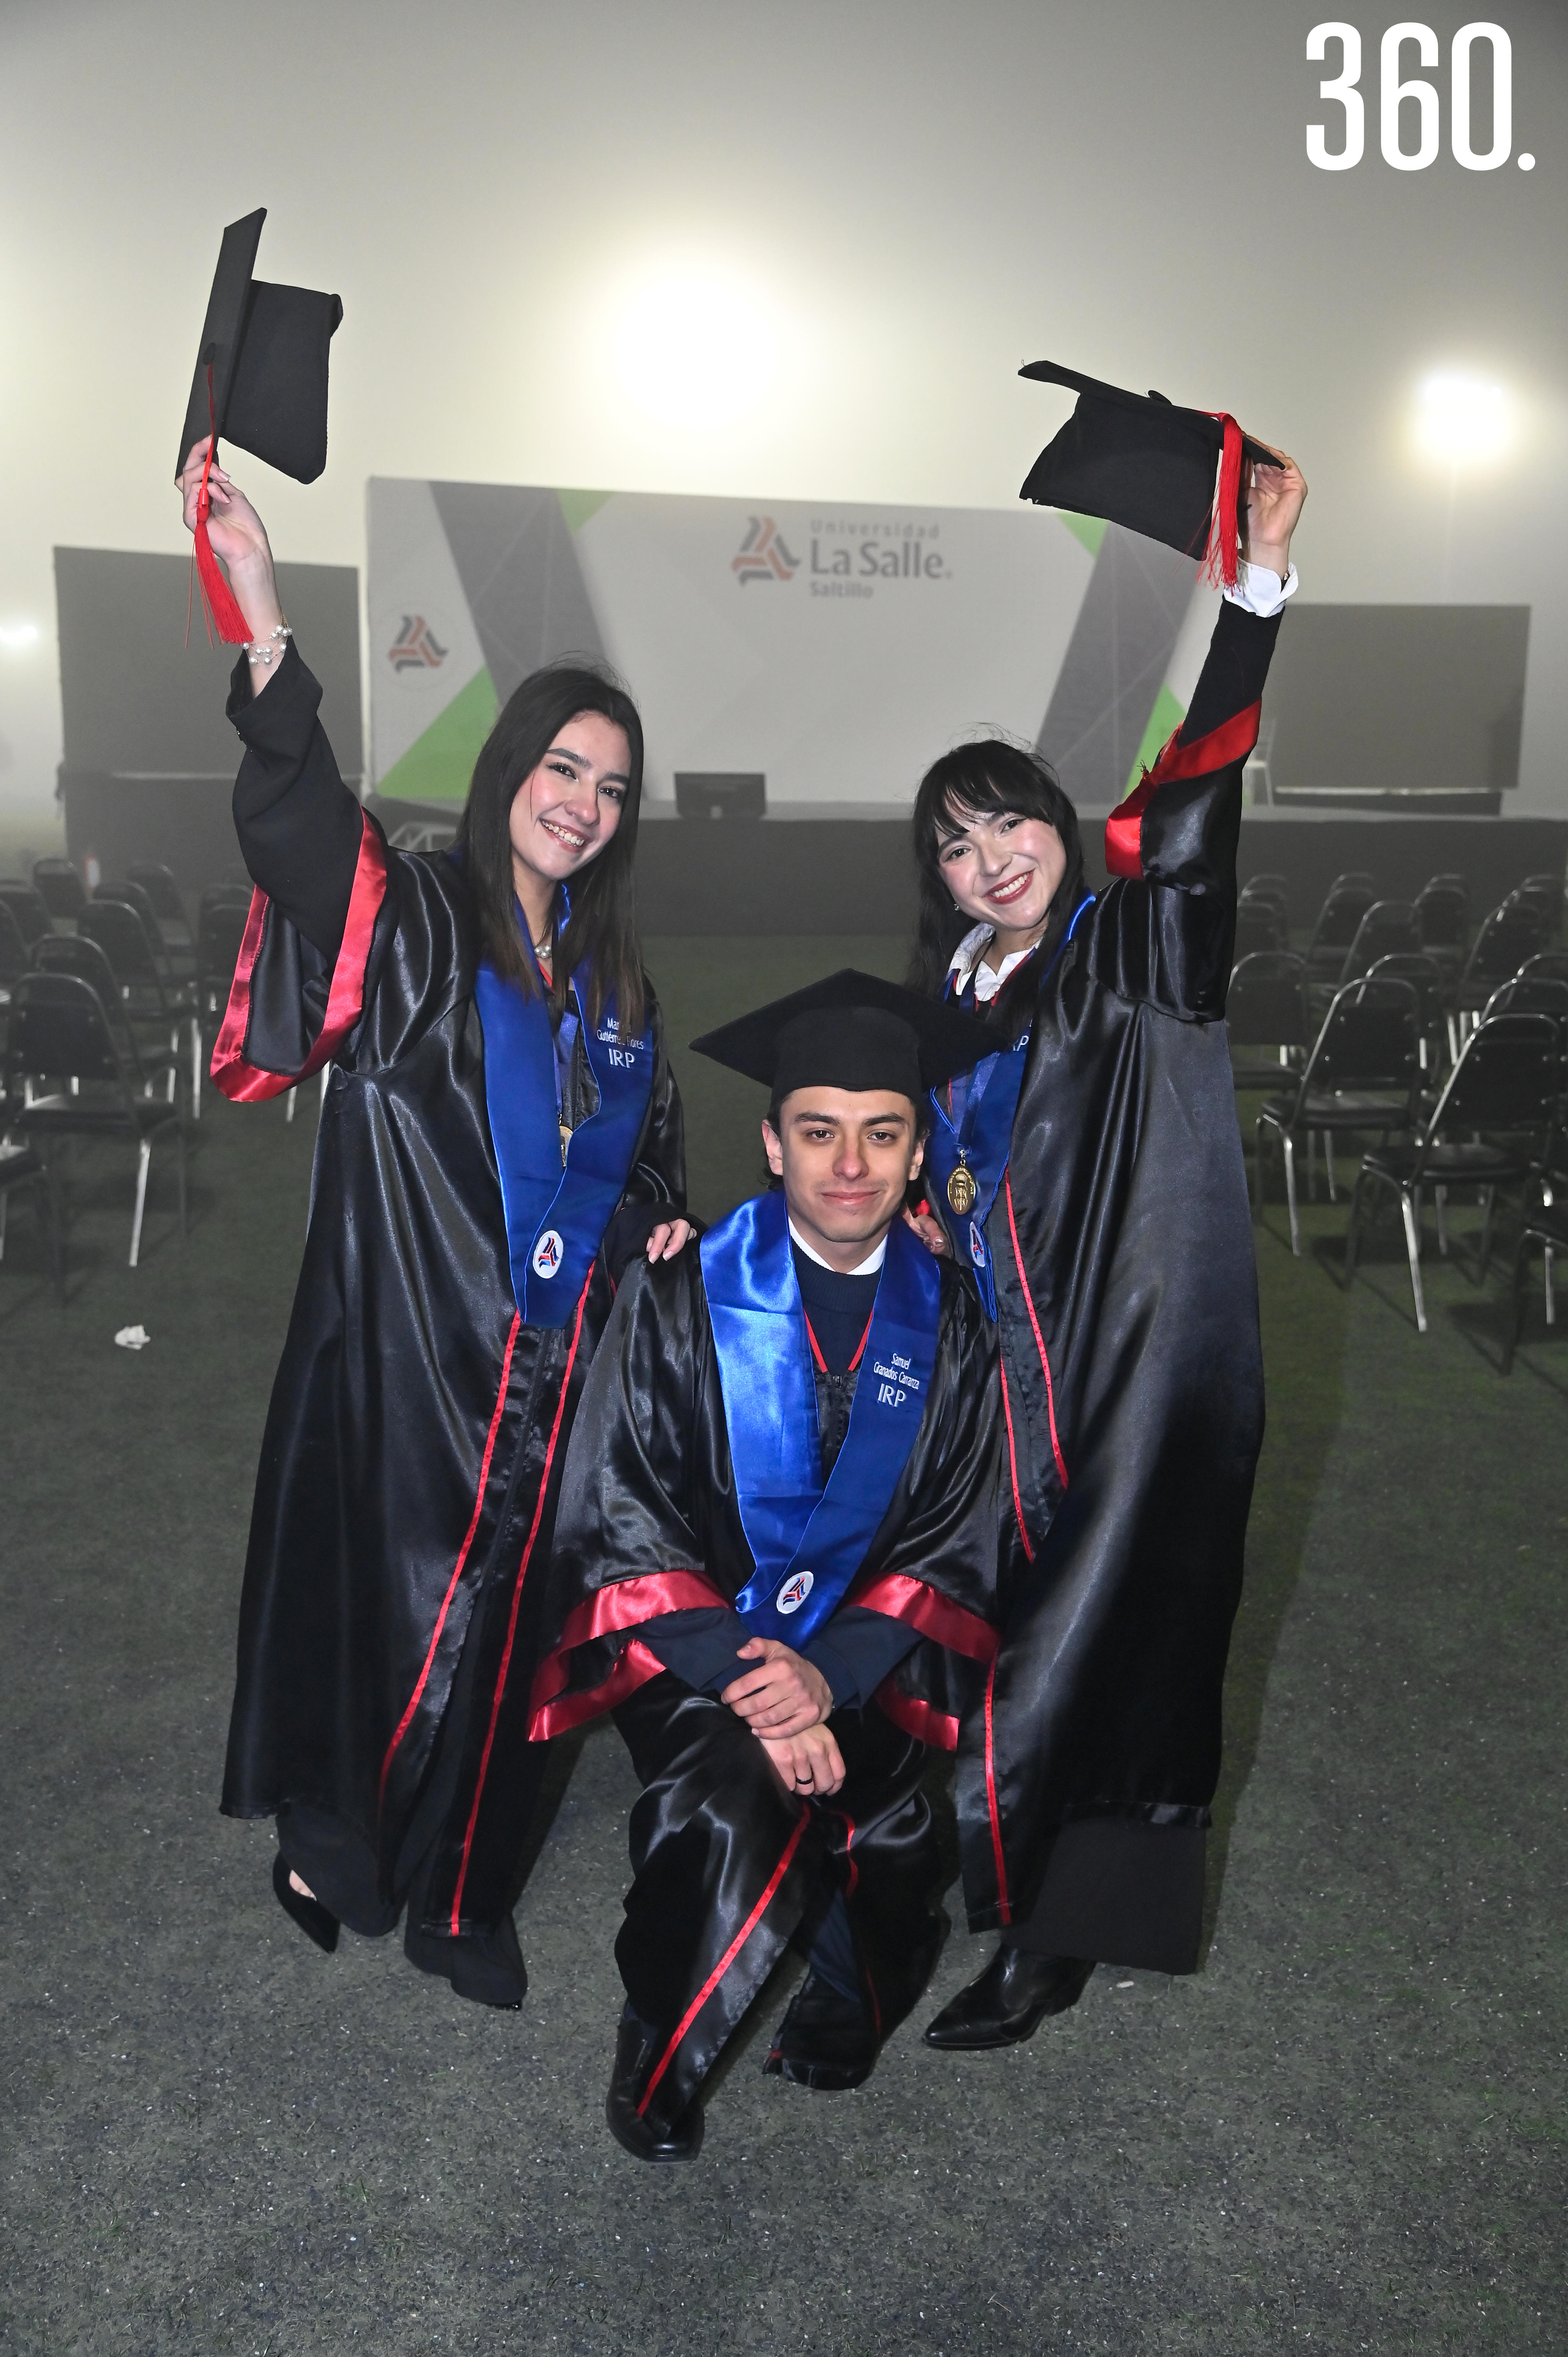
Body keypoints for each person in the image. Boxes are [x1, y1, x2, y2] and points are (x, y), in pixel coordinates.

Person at [177, 437, 693, 2008]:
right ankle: (334, 1839)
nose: (584, 806)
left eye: (611, 789)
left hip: (555, 1381)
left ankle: (470, 1889)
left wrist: (658, 1226)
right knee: (381, 1603)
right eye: (564, 771)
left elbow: (655, 1164)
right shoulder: (414, 919)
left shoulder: (619, 988)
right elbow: (295, 836)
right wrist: (262, 615)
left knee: (524, 1638)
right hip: (410, 1356)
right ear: (510, 769)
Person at [904, 426, 1308, 2048]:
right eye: (954, 843)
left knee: (1099, 1640)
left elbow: (1196, 802)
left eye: (1007, 823)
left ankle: (1055, 1932)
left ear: (1062, 828)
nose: (988, 858)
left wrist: (1252, 590)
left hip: (1117, 1370)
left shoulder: (1132, 951)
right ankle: (972, 1862)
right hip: (988, 1374)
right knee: (990, 1624)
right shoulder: (946, 998)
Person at [531, 974, 1001, 2158]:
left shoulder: (953, 1318)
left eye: (882, 1134)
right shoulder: (681, 1291)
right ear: (772, 1143)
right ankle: (657, 2039)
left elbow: (958, 1531)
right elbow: (620, 1510)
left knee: (891, 1831)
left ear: (917, 1155)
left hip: (864, 1656)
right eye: (819, 1131)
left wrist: (829, 1675)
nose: (850, 1164)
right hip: (693, 1653)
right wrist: (757, 1684)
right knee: (728, 1799)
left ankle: (846, 1996)